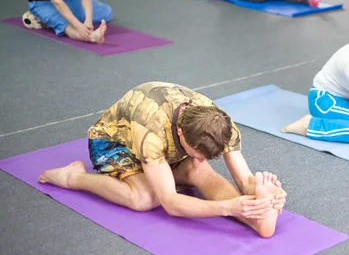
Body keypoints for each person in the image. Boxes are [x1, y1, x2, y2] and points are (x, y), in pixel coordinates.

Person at [38, 82, 287, 238]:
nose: (202, 158)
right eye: (197, 152)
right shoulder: (152, 130)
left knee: (201, 171)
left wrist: (262, 196)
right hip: (114, 142)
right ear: (181, 134)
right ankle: (74, 177)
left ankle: (257, 222)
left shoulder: (221, 125)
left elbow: (244, 179)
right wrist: (227, 207)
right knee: (145, 198)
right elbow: (171, 203)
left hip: (168, 149)